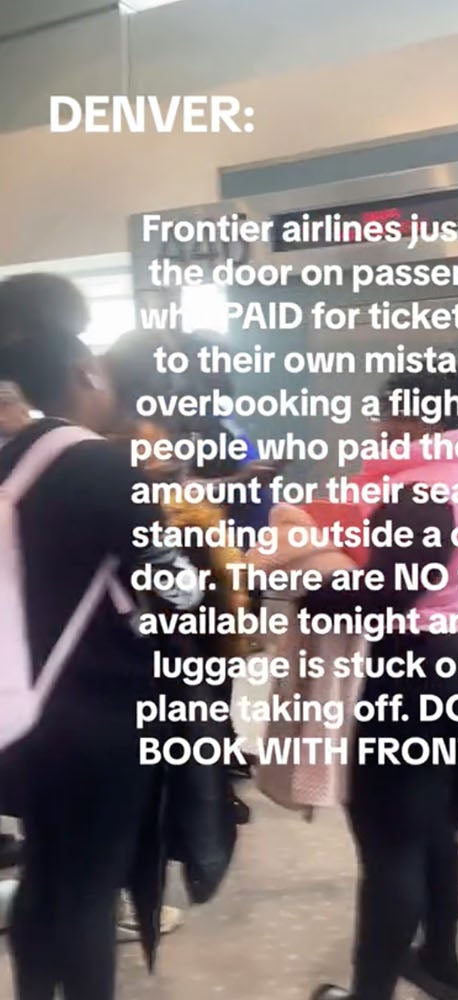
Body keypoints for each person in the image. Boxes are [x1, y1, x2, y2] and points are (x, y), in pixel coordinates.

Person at [0, 274, 202, 1000]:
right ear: (85, 372)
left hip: (21, 709)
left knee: (45, 876)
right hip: (102, 719)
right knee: (89, 890)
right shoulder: (106, 467)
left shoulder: (10, 460)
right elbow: (183, 591)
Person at [311, 370, 458, 1000]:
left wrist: (307, 590)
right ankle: (440, 962)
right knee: (432, 828)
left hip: (409, 676)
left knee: (389, 846)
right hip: (453, 667)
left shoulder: (419, 490)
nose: (379, 429)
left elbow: (384, 594)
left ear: (415, 420)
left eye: (388, 419)